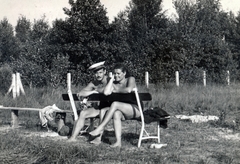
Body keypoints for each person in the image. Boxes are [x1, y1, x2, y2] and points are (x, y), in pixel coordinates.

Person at [89, 63, 141, 147]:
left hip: (136, 109)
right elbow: (106, 92)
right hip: (123, 110)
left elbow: (128, 90)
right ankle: (117, 142)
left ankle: (100, 128)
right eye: (114, 73)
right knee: (106, 111)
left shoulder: (130, 79)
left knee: (115, 104)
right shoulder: (114, 84)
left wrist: (116, 90)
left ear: (124, 73)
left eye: (118, 73)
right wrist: (111, 80)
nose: (116, 75)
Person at [67, 61, 111, 145]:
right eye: (96, 73)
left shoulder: (110, 81)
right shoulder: (94, 83)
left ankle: (98, 138)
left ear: (105, 72)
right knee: (83, 112)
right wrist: (92, 91)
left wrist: (94, 91)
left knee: (103, 111)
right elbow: (81, 93)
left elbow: (105, 91)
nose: (98, 75)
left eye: (100, 72)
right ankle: (73, 138)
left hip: (112, 107)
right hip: (101, 107)